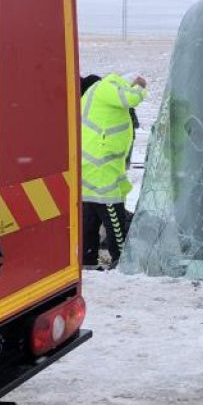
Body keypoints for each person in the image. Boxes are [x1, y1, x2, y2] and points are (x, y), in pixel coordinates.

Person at [80, 72, 147, 268]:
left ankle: (88, 261)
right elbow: (132, 98)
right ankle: (120, 260)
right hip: (103, 171)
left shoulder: (93, 96)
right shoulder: (106, 88)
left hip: (94, 168)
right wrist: (140, 87)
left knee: (90, 221)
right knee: (113, 220)